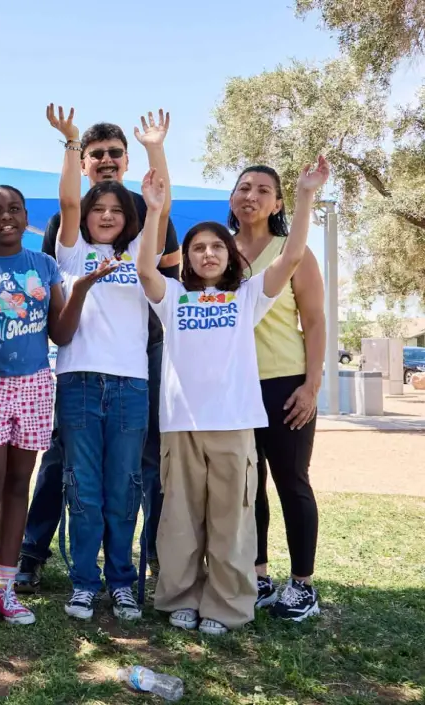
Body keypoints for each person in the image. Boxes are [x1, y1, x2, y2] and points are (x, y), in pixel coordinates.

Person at [140, 158, 329, 635]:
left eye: (215, 247)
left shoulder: (247, 297)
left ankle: (226, 606)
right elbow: (145, 268)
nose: (207, 254)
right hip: (182, 426)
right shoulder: (174, 298)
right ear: (186, 257)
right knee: (180, 519)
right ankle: (181, 597)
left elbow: (289, 259)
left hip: (235, 423)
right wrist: (153, 210)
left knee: (232, 521)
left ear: (230, 257)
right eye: (197, 248)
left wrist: (306, 195)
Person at [17, 114, 181, 593]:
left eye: (116, 154)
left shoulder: (140, 246)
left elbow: (162, 215)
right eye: (97, 155)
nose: (106, 214)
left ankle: (131, 571)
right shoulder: (69, 243)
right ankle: (53, 562)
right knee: (69, 470)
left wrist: (155, 149)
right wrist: (69, 140)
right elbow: (69, 204)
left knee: (131, 475)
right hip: (79, 375)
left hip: (135, 370)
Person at [0, 178, 109, 629]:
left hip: (36, 385)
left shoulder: (44, 263)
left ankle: (7, 589)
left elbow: (60, 334)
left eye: (14, 209)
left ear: (25, 216)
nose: (6, 217)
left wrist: (81, 290)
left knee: (20, 487)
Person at [230, 164, 327, 621]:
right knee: (250, 487)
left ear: (278, 203)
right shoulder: (217, 251)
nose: (252, 195)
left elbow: (315, 322)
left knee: (292, 482)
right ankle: (260, 574)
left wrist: (311, 385)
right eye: (244, 187)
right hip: (235, 389)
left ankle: (302, 585)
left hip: (285, 384)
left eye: (263, 190)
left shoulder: (294, 253)